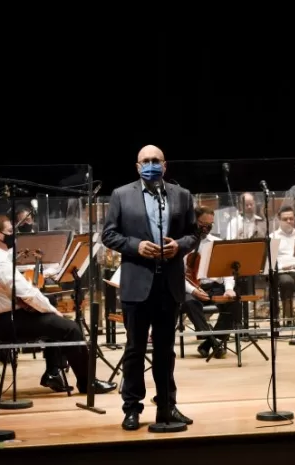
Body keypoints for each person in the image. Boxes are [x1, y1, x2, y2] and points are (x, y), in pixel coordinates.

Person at [102, 144, 198, 431]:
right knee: (134, 349)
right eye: (146, 161)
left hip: (169, 284)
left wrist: (178, 246)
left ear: (165, 166)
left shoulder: (181, 195)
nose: (151, 164)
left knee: (166, 350)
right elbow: (108, 234)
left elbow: (193, 234)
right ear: (137, 166)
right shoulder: (121, 194)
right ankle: (132, 408)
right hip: (136, 283)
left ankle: (167, 406)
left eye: (156, 160)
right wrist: (135, 246)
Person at [0, 214, 117, 394]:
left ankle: (53, 371)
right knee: (70, 328)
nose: (14, 234)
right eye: (11, 231)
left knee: (53, 318)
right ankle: (87, 382)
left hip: (0, 320)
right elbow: (27, 293)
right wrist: (53, 311)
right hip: (9, 322)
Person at [181, 206, 241, 358]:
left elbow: (227, 271)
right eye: (202, 224)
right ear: (194, 221)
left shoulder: (217, 243)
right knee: (189, 302)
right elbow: (178, 276)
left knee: (234, 302)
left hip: (215, 287)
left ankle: (209, 343)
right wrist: (193, 290)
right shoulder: (182, 244)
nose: (206, 228)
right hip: (193, 289)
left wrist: (228, 288)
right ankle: (214, 342)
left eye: (210, 225)